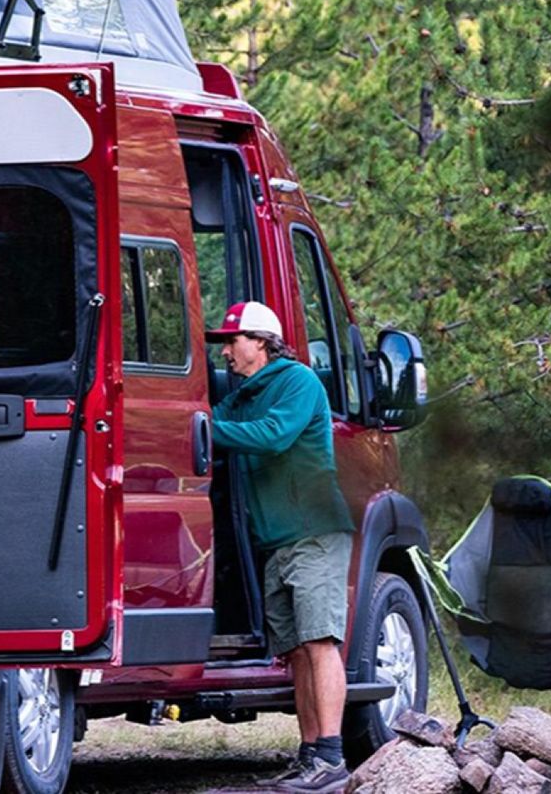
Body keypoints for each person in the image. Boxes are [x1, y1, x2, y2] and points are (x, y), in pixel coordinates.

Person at [206, 301, 356, 794]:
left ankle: (332, 757)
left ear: (263, 343)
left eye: (233, 341)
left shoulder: (297, 382)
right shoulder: (243, 396)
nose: (226, 351)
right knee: (295, 652)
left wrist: (205, 429)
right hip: (277, 540)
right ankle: (311, 756)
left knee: (319, 642)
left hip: (314, 530)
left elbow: (273, 437)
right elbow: (209, 420)